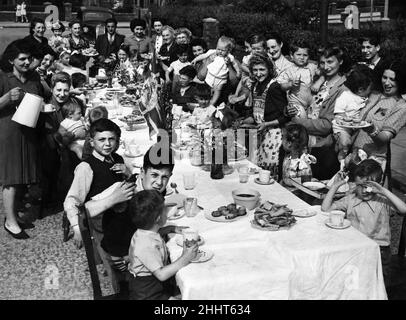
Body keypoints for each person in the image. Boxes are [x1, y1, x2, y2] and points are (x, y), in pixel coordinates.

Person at [64, 118, 134, 292]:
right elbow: (71, 201)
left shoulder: (116, 158)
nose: (108, 144)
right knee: (122, 266)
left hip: (122, 219)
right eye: (102, 140)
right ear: (91, 142)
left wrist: (127, 172)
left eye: (112, 139)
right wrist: (77, 227)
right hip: (105, 226)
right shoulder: (86, 167)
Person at [321, 159, 406, 287]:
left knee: (377, 285)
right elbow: (325, 208)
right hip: (355, 249)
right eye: (361, 186)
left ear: (378, 185)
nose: (366, 191)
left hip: (378, 251)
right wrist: (335, 186)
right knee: (356, 284)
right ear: (355, 184)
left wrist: (383, 191)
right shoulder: (351, 198)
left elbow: (403, 209)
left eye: (370, 186)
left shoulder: (382, 201)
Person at [0, 40, 44, 239]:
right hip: (9, 133)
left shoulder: (33, 78)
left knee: (23, 177)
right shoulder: (3, 78)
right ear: (11, 60)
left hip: (28, 132)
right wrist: (7, 98)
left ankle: (14, 215)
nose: (27, 62)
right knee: (11, 178)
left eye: (29, 59)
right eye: (22, 59)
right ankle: (9, 220)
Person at [287, 46, 349, 180]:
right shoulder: (319, 82)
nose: (326, 67)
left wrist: (299, 122)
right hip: (306, 143)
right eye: (322, 62)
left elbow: (327, 125)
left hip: (323, 148)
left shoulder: (343, 89)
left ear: (341, 61)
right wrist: (290, 110)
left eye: (330, 62)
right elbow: (303, 102)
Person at [128, 190, 198, 300]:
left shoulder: (144, 232)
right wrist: (185, 258)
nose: (167, 212)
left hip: (153, 286)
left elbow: (154, 233)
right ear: (158, 218)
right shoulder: (146, 245)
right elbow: (161, 275)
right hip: (147, 292)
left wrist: (171, 229)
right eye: (164, 210)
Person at [349, 60, 406, 171]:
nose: (387, 83)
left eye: (392, 79)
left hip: (372, 163)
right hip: (353, 154)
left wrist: (372, 130)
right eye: (384, 77)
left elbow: (384, 138)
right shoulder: (374, 94)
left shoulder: (401, 106)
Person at [241, 52, 289, 170]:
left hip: (274, 136)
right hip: (260, 134)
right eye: (255, 70)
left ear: (269, 69)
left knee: (269, 171)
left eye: (262, 69)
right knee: (255, 168)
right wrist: (243, 122)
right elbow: (256, 113)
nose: (258, 73)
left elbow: (285, 116)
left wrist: (267, 124)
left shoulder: (274, 87)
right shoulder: (255, 86)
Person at [332, 65, 374, 166]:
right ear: (360, 89)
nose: (371, 91)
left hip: (354, 128)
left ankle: (349, 160)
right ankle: (341, 157)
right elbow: (338, 113)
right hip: (342, 128)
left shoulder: (364, 97)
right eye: (370, 89)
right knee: (346, 142)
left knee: (353, 145)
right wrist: (345, 119)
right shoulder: (345, 96)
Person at [192, 36, 241, 107]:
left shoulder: (230, 58)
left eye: (223, 50)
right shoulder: (213, 53)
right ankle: (205, 104)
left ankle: (212, 103)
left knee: (218, 91)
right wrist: (197, 59)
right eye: (218, 49)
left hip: (221, 83)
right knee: (206, 91)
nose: (220, 51)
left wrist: (232, 68)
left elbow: (234, 80)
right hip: (210, 78)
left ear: (228, 50)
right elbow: (201, 76)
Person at [278, 40, 319, 119]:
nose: (302, 57)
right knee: (300, 117)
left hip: (312, 100)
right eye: (298, 54)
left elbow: (323, 73)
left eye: (305, 55)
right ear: (292, 55)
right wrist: (290, 84)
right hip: (296, 101)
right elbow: (282, 86)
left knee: (315, 117)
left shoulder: (313, 66)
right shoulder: (289, 70)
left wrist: (319, 81)